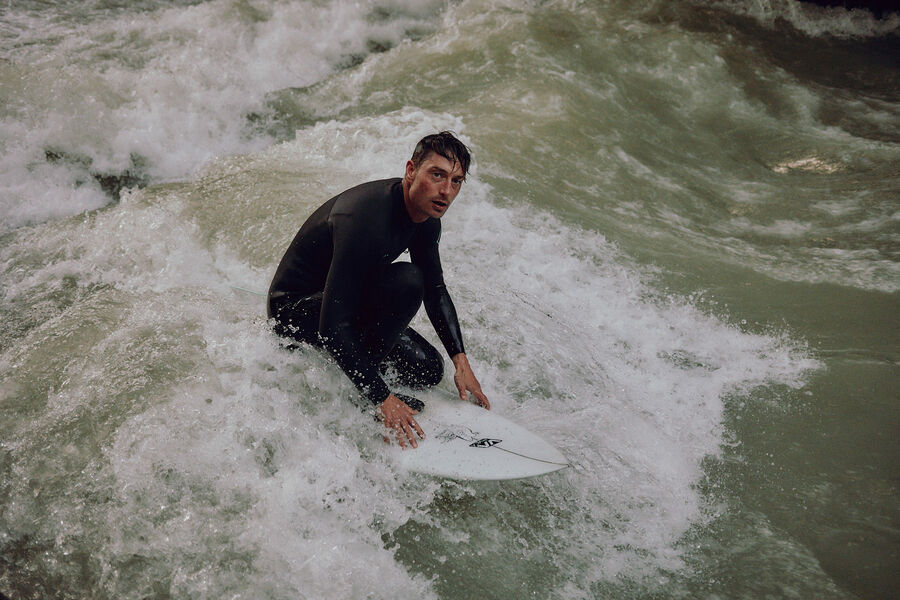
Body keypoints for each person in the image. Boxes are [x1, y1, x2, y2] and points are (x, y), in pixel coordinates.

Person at [267, 131, 490, 448]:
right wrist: (381, 397)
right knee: (408, 280)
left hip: (343, 300)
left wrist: (461, 361)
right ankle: (360, 391)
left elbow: (436, 289)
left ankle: (358, 364)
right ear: (411, 171)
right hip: (294, 312)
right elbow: (332, 326)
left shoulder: (426, 217)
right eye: (437, 175)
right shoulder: (365, 218)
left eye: (456, 181)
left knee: (427, 369)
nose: (446, 191)